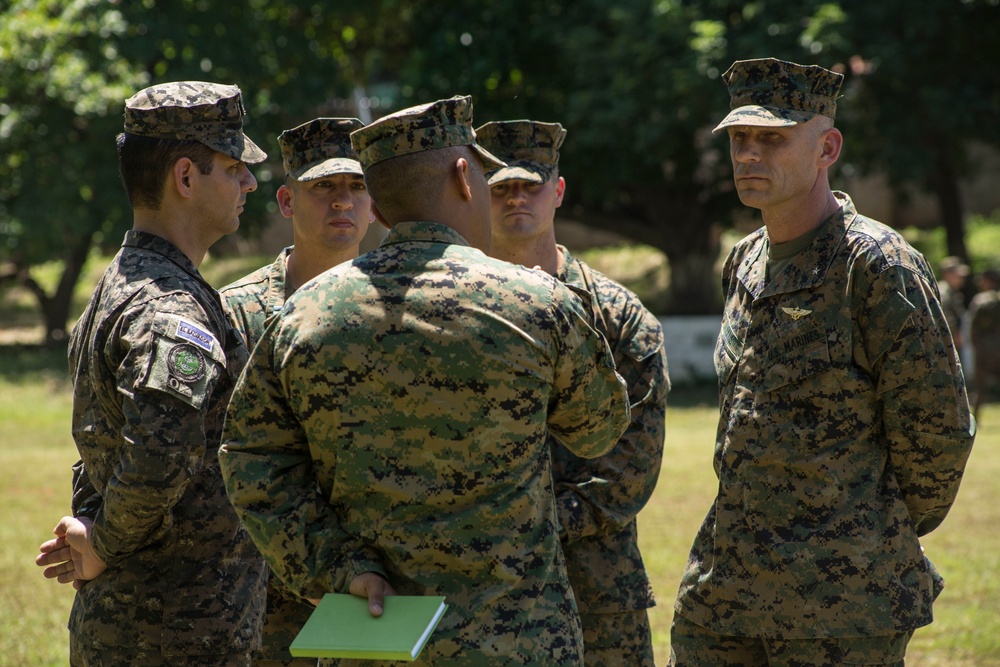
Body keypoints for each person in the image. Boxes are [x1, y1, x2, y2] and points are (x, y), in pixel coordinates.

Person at [217, 95, 631, 666]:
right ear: (465, 176)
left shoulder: (303, 314)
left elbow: (250, 457)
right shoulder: (535, 302)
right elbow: (598, 430)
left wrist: (338, 567)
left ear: (380, 210)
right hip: (514, 642)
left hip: (372, 639)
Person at [669, 58, 976, 666]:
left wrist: (863, 532)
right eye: (739, 138)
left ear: (826, 147)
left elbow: (937, 434)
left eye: (773, 138)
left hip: (841, 603)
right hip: (726, 588)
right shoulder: (743, 262)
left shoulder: (876, 265)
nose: (749, 154)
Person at [34, 81, 268, 666]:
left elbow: (99, 438)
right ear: (186, 178)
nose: (251, 182)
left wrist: (95, 531)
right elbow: (157, 452)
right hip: (175, 631)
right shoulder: (170, 308)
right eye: (235, 166)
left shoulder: (121, 280)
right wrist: (103, 544)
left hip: (138, 623)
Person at [475, 119, 669, 667]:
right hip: (481, 592)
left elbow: (631, 465)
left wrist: (528, 521)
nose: (516, 199)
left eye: (529, 185)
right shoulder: (453, 310)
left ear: (557, 191)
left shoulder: (615, 316)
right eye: (502, 187)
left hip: (596, 587)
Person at [220, 116, 373, 667]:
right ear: (286, 201)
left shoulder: (397, 306)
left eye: (357, 186)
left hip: (374, 580)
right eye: (323, 187)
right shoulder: (236, 312)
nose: (342, 203)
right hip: (266, 589)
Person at [967, 267, 1000, 421]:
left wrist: (974, 345)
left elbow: (973, 327)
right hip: (997, 347)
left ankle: (976, 418)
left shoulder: (980, 299)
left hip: (983, 349)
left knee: (980, 387)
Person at [938, 255, 971, 353]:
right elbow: (945, 316)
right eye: (958, 276)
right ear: (948, 274)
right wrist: (955, 335)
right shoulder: (943, 291)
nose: (962, 279)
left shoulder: (953, 292)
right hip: (947, 343)